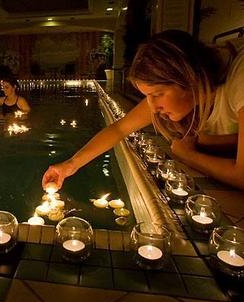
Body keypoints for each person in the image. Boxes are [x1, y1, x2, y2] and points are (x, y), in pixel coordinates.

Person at [43, 30, 244, 190]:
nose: (153, 108)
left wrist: (187, 155)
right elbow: (119, 129)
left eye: (157, 94)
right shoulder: (189, 89)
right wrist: (70, 165)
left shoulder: (240, 80)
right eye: (146, 96)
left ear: (188, 78)